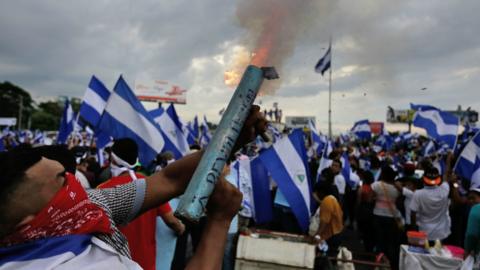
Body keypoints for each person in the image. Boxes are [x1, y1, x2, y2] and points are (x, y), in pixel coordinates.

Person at [0, 106, 266, 269]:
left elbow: (168, 180)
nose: (73, 183)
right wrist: (219, 221)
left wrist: (229, 140)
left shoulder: (85, 208)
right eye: (61, 181)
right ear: (28, 224)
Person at [97, 138, 185, 270]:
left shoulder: (101, 190)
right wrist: (181, 229)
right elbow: (171, 221)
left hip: (116, 264)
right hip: (146, 264)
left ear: (113, 159)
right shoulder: (150, 184)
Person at [371, 165, 401, 270]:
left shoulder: (376, 185)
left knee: (379, 240)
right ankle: (389, 264)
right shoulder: (396, 188)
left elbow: (370, 197)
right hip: (392, 217)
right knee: (390, 241)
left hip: (378, 215)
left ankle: (379, 262)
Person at [410, 167, 451, 243]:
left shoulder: (418, 194)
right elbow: (446, 178)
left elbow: (413, 214)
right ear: (438, 179)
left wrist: (414, 230)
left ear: (423, 178)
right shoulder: (444, 190)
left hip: (423, 233)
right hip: (441, 234)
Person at [310, 181, 344, 254]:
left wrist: (317, 235)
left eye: (317, 193)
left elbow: (324, 221)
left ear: (321, 192)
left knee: (327, 256)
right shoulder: (332, 199)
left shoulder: (327, 201)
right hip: (336, 232)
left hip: (332, 235)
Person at [465, 187, 480, 259]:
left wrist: (467, 251)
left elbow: (471, 235)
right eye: (469, 198)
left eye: (473, 198)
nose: (471, 201)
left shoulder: (476, 209)